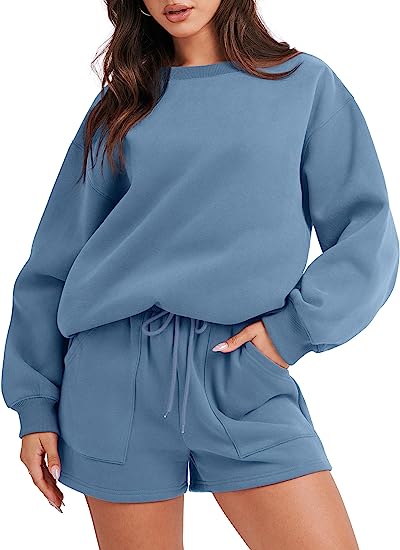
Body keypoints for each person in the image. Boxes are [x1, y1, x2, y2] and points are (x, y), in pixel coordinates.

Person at [2, 1, 398, 548]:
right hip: (115, 379)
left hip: (239, 370)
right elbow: (53, 260)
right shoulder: (124, 103)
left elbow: (366, 231)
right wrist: (35, 403)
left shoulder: (304, 84)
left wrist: (290, 333)